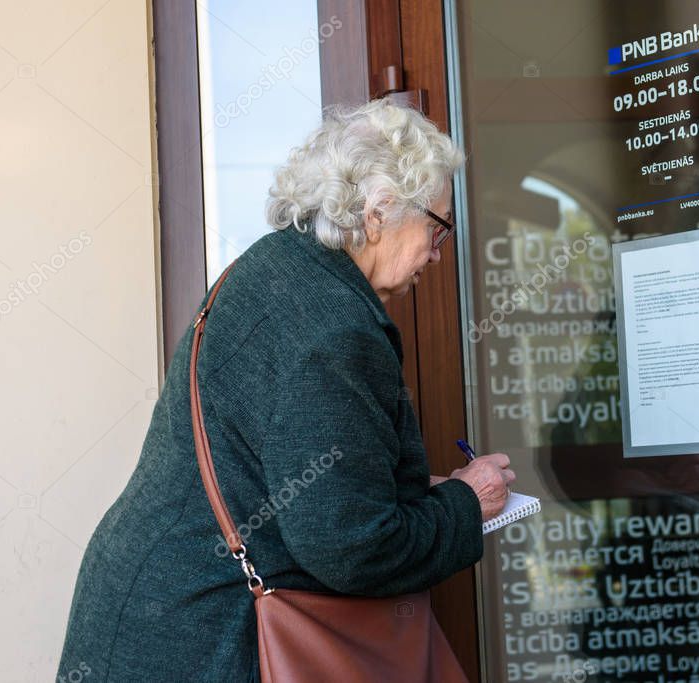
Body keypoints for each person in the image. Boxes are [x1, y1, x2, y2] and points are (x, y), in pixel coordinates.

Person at [56, 99, 515, 681]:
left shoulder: (273, 269)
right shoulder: (334, 327)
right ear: (379, 212)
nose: (436, 252)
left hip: (149, 611)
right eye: (437, 227)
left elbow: (292, 471)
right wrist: (466, 506)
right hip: (204, 637)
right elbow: (352, 548)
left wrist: (403, 489)